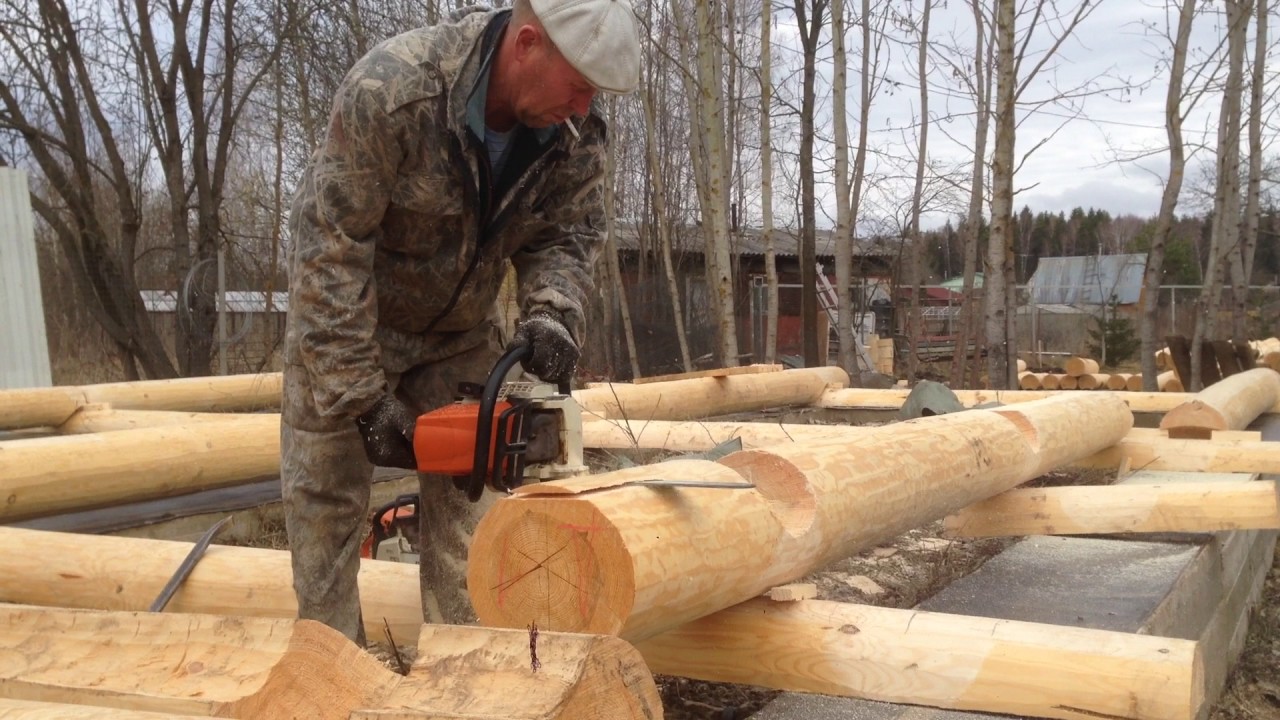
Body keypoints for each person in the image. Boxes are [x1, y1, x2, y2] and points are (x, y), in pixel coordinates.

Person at [281, 0, 641, 644]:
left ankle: (469, 677)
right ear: (528, 43)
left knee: (474, 519)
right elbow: (328, 247)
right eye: (579, 85)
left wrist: (552, 313)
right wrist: (360, 395)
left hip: (462, 339)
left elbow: (568, 234)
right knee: (324, 518)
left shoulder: (573, 138)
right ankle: (331, 679)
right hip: (348, 330)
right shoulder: (394, 93)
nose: (584, 106)